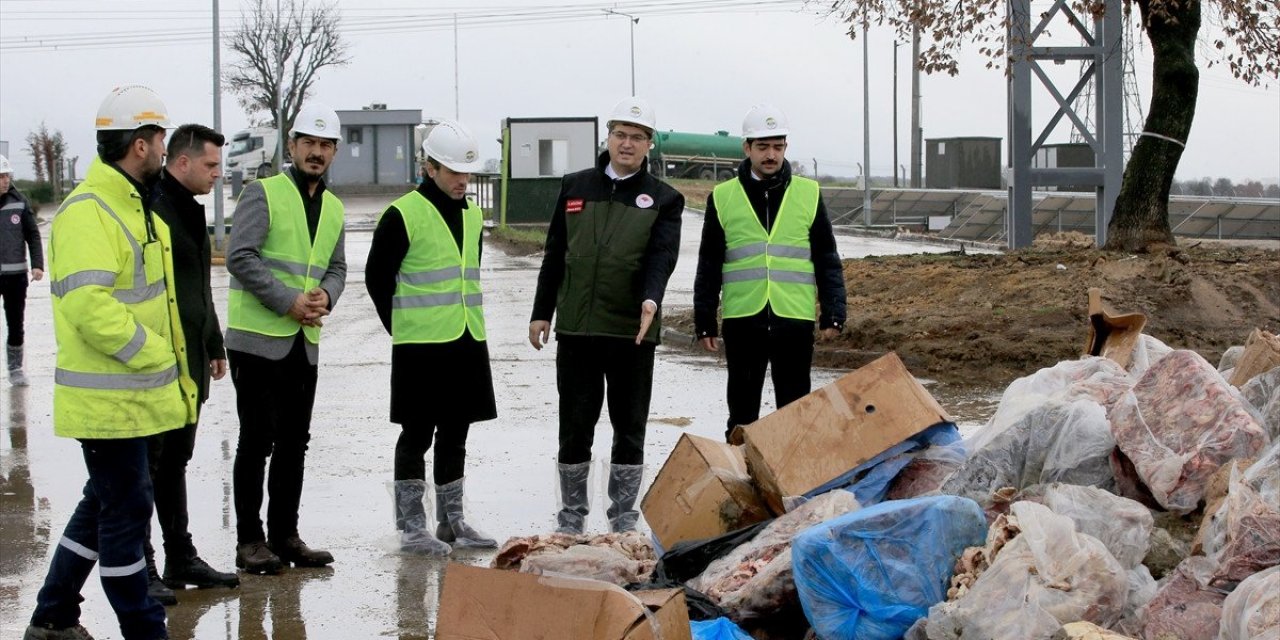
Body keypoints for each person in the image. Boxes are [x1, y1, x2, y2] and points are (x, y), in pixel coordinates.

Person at [25, 84, 198, 640]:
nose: (165, 149)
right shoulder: (89, 212)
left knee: (100, 507)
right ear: (141, 145)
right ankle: (145, 630)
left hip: (133, 400)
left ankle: (53, 616)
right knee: (126, 516)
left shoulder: (133, 205)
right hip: (109, 402)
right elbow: (88, 306)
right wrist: (154, 352)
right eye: (160, 139)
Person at [529, 97, 684, 534]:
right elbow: (554, 253)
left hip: (631, 331)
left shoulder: (664, 199)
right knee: (574, 426)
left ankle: (623, 518)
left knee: (629, 427)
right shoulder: (575, 187)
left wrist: (651, 299)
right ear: (608, 138)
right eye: (620, 134)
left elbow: (662, 257)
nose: (626, 143)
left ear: (649, 144)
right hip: (577, 330)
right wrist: (542, 311)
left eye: (636, 137)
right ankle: (571, 517)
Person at [366, 121, 498, 555]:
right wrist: (401, 326)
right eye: (453, 171)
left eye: (467, 172)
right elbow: (376, 277)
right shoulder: (403, 214)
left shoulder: (473, 215)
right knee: (417, 434)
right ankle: (411, 528)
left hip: (466, 338)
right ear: (430, 167)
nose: (462, 181)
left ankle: (451, 521)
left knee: (456, 432)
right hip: (420, 346)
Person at [225, 102, 346, 575]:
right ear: (292, 146)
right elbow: (241, 255)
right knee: (257, 441)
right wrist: (287, 301)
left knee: (295, 442)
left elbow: (336, 267)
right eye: (309, 143)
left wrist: (326, 296)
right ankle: (250, 541)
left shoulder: (334, 207)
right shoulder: (264, 193)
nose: (317, 152)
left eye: (325, 145)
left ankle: (285, 536)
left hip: (302, 342)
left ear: (334, 151)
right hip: (257, 340)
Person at [692, 104, 847, 443]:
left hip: (793, 317)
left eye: (778, 146)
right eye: (762, 147)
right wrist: (704, 318)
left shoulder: (808, 193)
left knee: (794, 413)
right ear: (747, 148)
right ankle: (740, 470)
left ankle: (792, 474)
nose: (771, 154)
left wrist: (834, 313)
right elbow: (709, 262)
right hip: (743, 318)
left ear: (785, 147)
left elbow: (826, 257)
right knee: (742, 413)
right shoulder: (723, 197)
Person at [140, 124, 239, 602]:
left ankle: (180, 556)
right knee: (148, 466)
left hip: (192, 360)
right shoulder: (152, 208)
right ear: (182, 162)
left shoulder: (191, 210)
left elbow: (198, 285)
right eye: (211, 164)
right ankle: (143, 566)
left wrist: (214, 343)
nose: (218, 173)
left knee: (176, 460)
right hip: (159, 360)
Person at [0, 153, 44, 387]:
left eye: (7, 176)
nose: (5, 180)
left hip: (15, 277)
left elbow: (33, 235)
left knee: (15, 323)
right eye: (0, 177)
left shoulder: (19, 202)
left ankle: (15, 368)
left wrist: (37, 265)